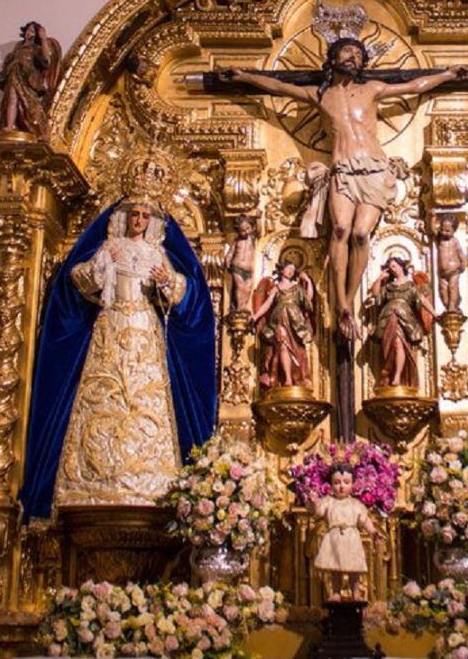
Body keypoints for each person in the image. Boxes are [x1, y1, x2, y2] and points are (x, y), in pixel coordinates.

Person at [218, 42, 468, 339]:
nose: (352, 58)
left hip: (375, 171)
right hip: (342, 172)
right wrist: (243, 76)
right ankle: (340, 302)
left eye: (358, 55)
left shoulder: (372, 90)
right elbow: (277, 86)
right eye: (347, 52)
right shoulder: (320, 95)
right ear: (333, 57)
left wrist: (449, 74)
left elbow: (415, 86)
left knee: (360, 234)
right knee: (339, 228)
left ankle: (349, 299)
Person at [18, 162, 217, 519]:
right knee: (104, 397)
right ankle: (92, 480)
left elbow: (182, 291)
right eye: (134, 213)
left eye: (144, 215)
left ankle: (154, 481)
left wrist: (166, 283)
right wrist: (101, 266)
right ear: (124, 216)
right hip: (110, 327)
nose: (138, 220)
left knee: (146, 399)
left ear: (152, 220)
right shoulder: (109, 246)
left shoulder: (158, 254)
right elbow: (79, 279)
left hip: (145, 332)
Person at [308, 464, 384, 601]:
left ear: (353, 484)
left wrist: (373, 531)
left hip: (351, 539)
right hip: (334, 538)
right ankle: (336, 592)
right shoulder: (328, 501)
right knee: (335, 568)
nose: (341, 486)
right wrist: (313, 502)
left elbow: (364, 520)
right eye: (337, 483)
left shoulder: (356, 504)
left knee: (353, 568)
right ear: (331, 484)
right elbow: (318, 512)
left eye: (346, 482)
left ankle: (355, 592)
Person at [0, 21, 63, 137]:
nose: (29, 33)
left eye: (33, 31)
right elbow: (5, 66)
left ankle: (39, 131)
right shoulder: (17, 49)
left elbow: (46, 60)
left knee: (31, 108)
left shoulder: (36, 49)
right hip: (14, 76)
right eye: (28, 30)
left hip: (28, 82)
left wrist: (44, 40)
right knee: (11, 99)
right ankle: (10, 126)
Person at [368, 256, 436, 388]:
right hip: (388, 319)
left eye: (395, 266)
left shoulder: (410, 285)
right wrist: (380, 278)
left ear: (401, 266)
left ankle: (397, 375)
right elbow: (375, 294)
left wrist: (434, 313)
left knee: (400, 344)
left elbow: (422, 300)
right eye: (390, 267)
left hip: (404, 319)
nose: (393, 269)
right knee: (390, 345)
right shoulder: (388, 287)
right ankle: (388, 370)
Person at [251, 257, 316, 389]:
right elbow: (267, 304)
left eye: (293, 269)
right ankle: (286, 379)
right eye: (289, 268)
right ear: (282, 270)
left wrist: (308, 281)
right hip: (279, 321)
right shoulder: (275, 289)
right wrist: (255, 316)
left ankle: (296, 378)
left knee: (297, 351)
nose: (291, 271)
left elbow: (308, 300)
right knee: (282, 345)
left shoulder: (297, 288)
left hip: (294, 323)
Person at [433, 214, 467, 312]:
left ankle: (452, 307)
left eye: (448, 231)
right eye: (442, 230)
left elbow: (460, 253)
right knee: (442, 291)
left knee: (453, 287)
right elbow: (432, 228)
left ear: (454, 230)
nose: (444, 233)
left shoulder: (455, 241)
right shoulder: (440, 239)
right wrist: (432, 217)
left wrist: (464, 262)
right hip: (442, 273)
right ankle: (449, 306)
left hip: (454, 270)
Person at [225, 214, 258, 312]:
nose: (246, 232)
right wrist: (228, 259)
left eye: (248, 228)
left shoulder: (252, 238)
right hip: (237, 266)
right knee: (240, 287)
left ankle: (243, 306)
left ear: (251, 227)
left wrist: (259, 217)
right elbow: (231, 252)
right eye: (242, 230)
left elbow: (260, 229)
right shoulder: (236, 241)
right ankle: (240, 307)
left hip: (248, 270)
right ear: (238, 231)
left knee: (247, 289)